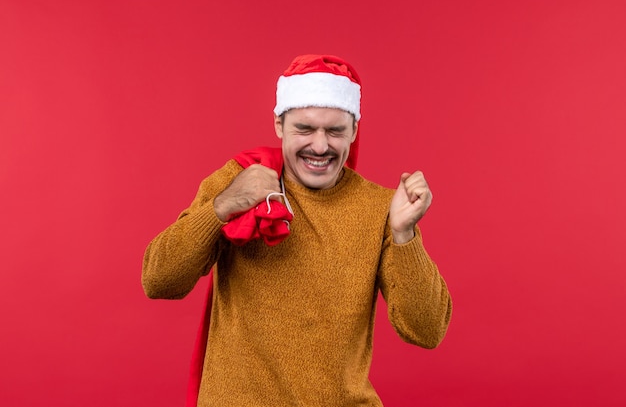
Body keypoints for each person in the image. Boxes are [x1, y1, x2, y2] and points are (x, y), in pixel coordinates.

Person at [142, 54, 452, 407]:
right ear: (278, 124)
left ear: (353, 129)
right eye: (304, 129)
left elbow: (427, 331)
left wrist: (404, 234)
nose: (320, 146)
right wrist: (222, 207)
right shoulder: (238, 182)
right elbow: (159, 280)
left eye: (335, 130)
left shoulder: (382, 208)